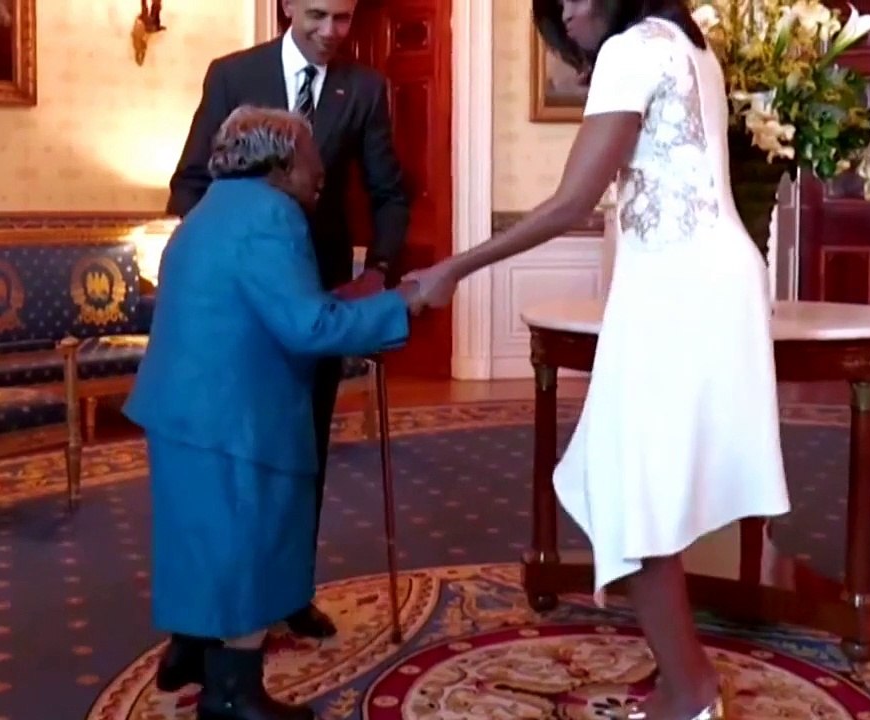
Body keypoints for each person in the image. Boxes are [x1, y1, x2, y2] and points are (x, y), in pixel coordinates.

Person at [404, 0, 791, 717]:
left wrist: (452, 269)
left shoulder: (631, 51)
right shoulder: (688, 45)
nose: (570, 10)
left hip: (681, 287)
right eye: (557, 3)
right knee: (634, 488)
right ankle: (686, 681)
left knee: (628, 490)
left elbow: (567, 204)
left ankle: (693, 691)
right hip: (702, 281)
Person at [124, 106, 421, 720]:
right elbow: (305, 326)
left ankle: (192, 656)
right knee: (248, 543)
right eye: (313, 156)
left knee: (200, 537)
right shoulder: (271, 215)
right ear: (282, 159)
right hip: (235, 416)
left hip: (183, 406)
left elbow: (265, 303)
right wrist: (404, 306)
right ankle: (232, 695)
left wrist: (343, 304)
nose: (321, 173)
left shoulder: (210, 210)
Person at [160, 0, 409, 686]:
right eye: (319, 15)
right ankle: (195, 629)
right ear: (287, 7)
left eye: (345, 19)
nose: (332, 32)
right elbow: (189, 183)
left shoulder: (364, 89)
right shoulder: (232, 75)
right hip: (242, 301)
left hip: (315, 289)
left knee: (301, 456)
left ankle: (287, 593)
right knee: (221, 473)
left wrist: (378, 272)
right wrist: (230, 251)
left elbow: (390, 193)